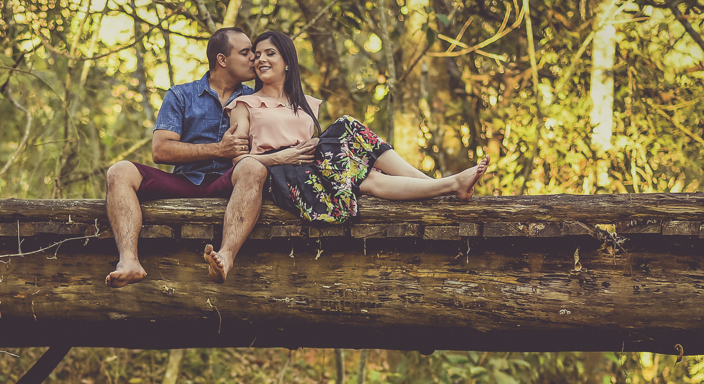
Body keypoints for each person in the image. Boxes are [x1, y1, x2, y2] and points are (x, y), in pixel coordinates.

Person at [203, 30, 490, 284]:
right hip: (275, 173)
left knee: (369, 179)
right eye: (258, 55)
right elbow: (240, 162)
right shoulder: (244, 104)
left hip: (310, 171)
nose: (261, 59)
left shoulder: (307, 106)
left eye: (270, 53)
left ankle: (448, 186)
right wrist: (282, 157)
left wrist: (313, 148)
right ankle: (226, 257)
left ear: (287, 61)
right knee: (346, 125)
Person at [105, 27, 266, 288]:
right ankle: (129, 261)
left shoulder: (256, 99)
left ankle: (225, 257)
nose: (254, 58)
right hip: (184, 183)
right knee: (119, 171)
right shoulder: (181, 95)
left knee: (253, 168)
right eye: (246, 52)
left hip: (230, 183)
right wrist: (218, 149)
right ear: (222, 60)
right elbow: (161, 151)